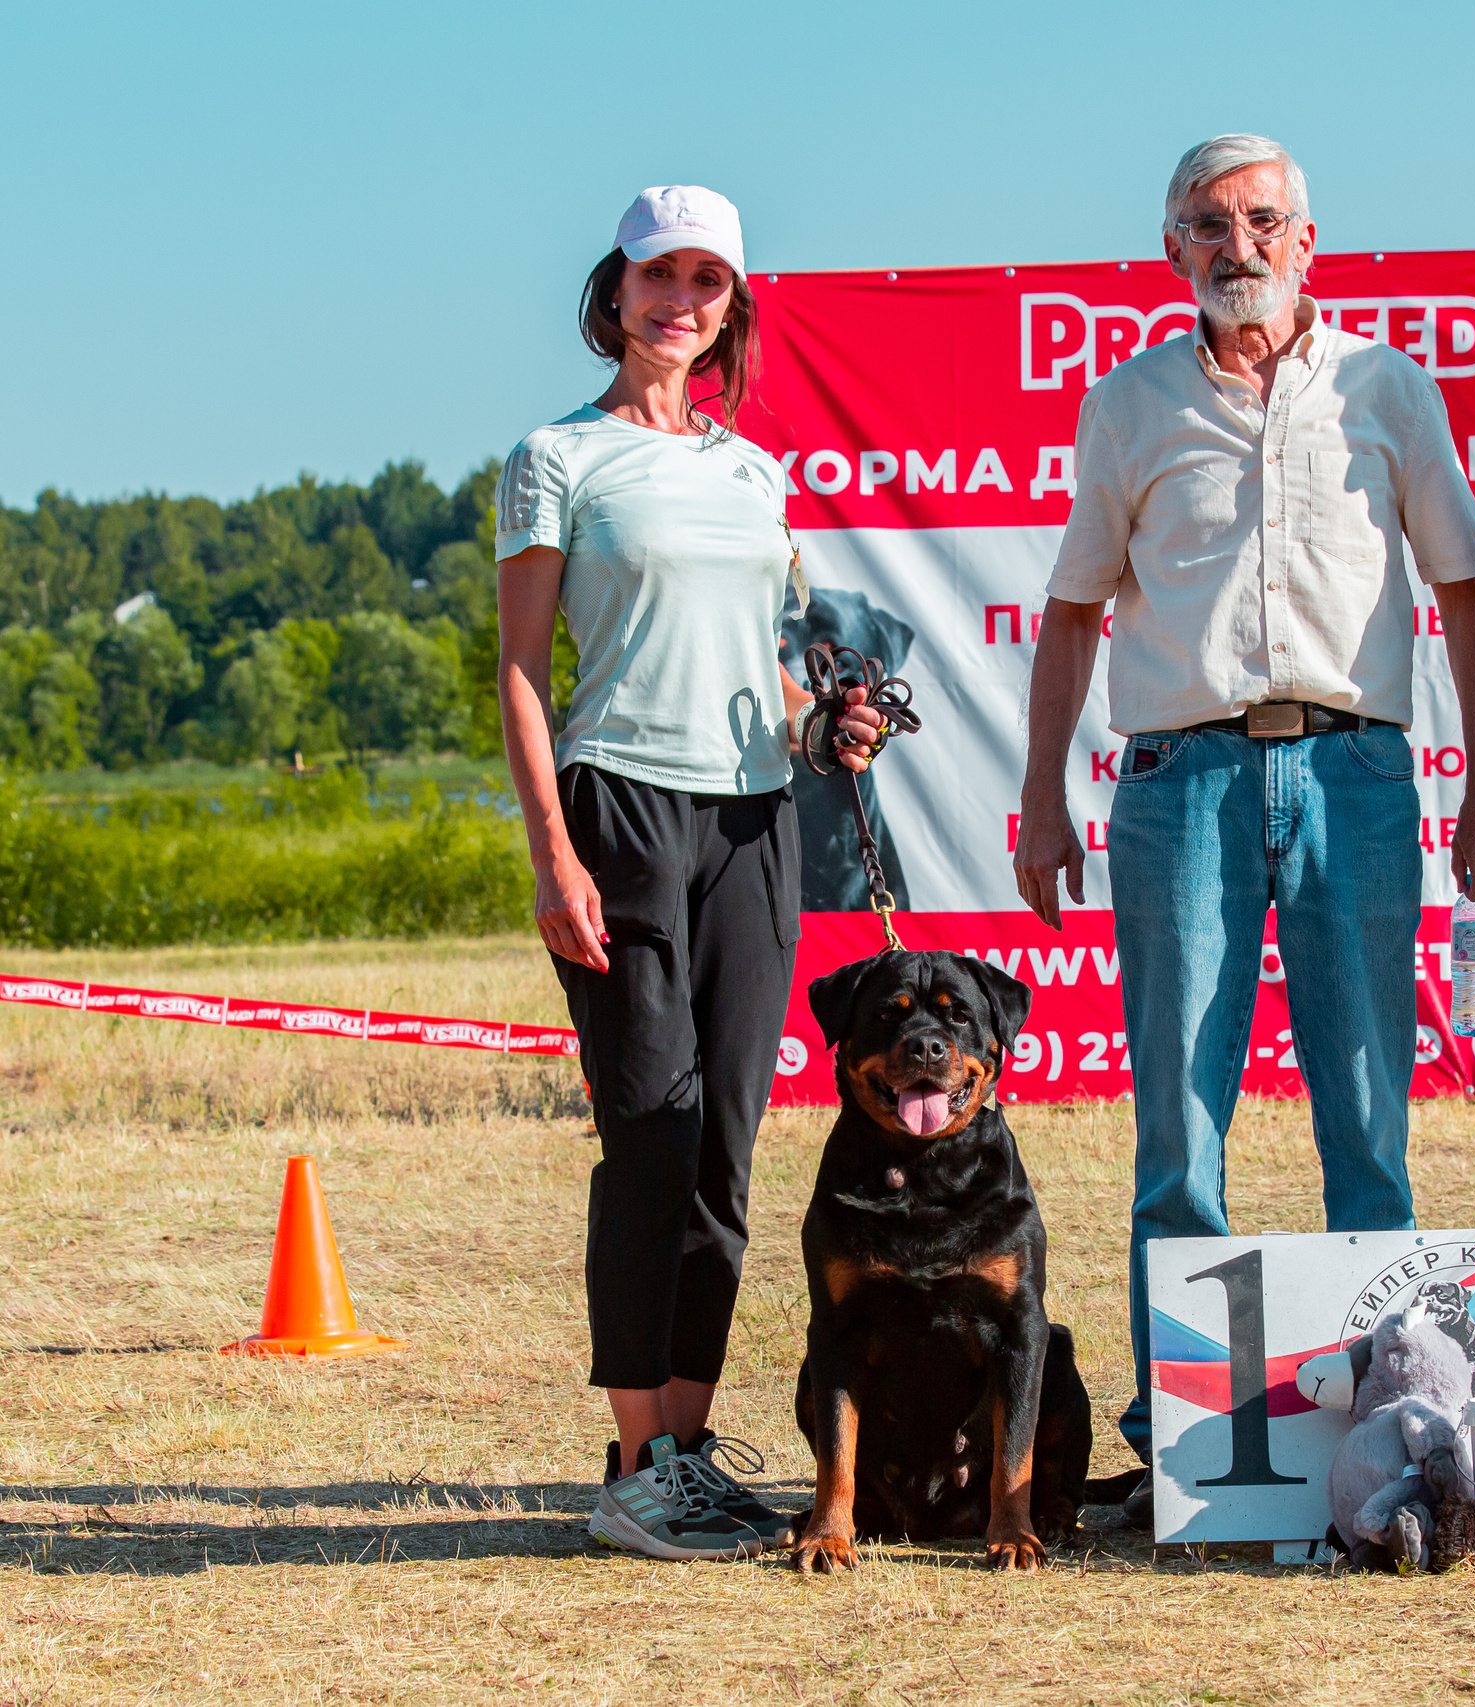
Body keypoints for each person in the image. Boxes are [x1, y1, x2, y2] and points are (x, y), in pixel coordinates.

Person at [1014, 135, 1475, 1508]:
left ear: (1308, 240)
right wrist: (1040, 797)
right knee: (1179, 1120)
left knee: (1367, 1112)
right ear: (1171, 250)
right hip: (1183, 782)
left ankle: (1405, 1425)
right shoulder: (1126, 406)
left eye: (1260, 220)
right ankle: (1182, 1451)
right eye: (1205, 224)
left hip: (1356, 774)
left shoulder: (1386, 386)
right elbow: (1069, 613)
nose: (1235, 243)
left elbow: (1465, 588)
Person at [495, 184, 883, 1561]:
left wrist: (822, 720)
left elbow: (768, 668)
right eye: (661, 277)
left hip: (754, 820)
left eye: (708, 283)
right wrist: (552, 850)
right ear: (617, 290)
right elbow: (524, 672)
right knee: (648, 1138)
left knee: (723, 1143)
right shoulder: (558, 456)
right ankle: (632, 1462)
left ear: (733, 308)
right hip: (619, 810)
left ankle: (689, 1449)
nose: (682, 304)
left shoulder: (750, 471)